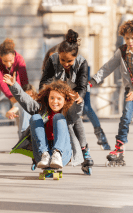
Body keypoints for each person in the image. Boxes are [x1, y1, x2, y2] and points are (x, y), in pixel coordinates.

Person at [88, 20, 133, 165]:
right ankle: (119, 148)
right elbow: (107, 68)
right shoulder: (122, 52)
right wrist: (92, 81)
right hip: (131, 88)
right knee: (126, 117)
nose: (130, 41)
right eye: (127, 38)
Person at [39, 29, 93, 175]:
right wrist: (47, 93)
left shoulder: (82, 63)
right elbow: (44, 80)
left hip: (73, 97)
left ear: (76, 57)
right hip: (56, 96)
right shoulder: (53, 59)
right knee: (54, 121)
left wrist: (79, 96)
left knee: (74, 118)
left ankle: (84, 151)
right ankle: (43, 153)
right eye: (62, 60)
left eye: (69, 61)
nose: (65, 64)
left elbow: (82, 85)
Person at [4, 72, 84, 169]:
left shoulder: (68, 113)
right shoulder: (41, 109)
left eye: (59, 99)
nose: (55, 102)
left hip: (63, 154)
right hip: (41, 156)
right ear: (47, 98)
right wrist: (14, 85)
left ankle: (57, 153)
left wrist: (79, 102)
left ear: (65, 100)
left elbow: (76, 112)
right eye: (52, 98)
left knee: (58, 117)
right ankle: (45, 154)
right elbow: (26, 100)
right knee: (35, 117)